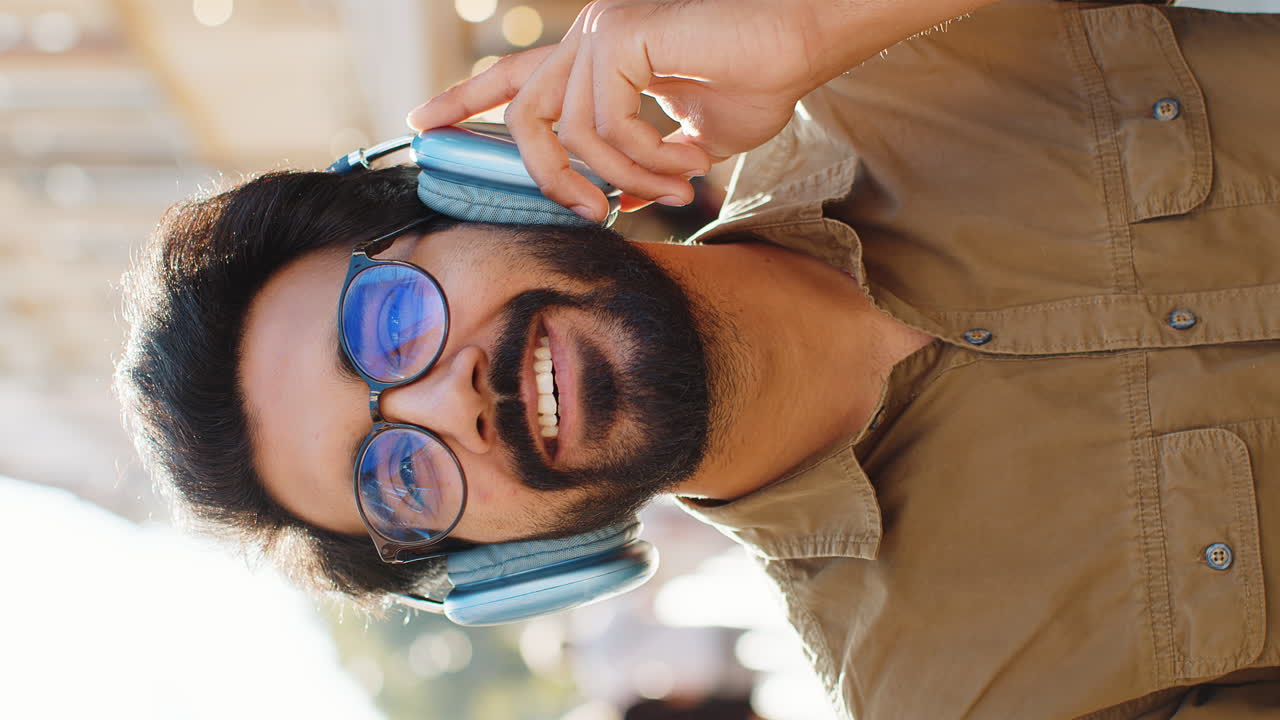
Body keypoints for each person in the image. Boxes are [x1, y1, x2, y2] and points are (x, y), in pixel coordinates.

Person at [115, 0, 1280, 717]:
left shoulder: (871, 49)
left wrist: (816, 27)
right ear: (497, 566)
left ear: (470, 191)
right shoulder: (955, 701)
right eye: (395, 476)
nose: (447, 404)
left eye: (382, 326)